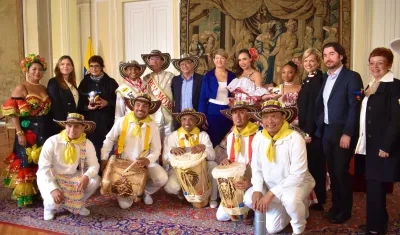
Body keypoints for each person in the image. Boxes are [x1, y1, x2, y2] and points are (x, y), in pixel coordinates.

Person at [244, 100, 315, 235]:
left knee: (291, 200)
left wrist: (270, 194)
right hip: (271, 184)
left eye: (274, 116)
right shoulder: (259, 137)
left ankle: (299, 227)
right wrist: (258, 189)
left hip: (295, 184)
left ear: (283, 118)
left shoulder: (295, 138)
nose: (269, 121)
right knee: (250, 199)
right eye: (265, 117)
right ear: (261, 120)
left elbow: (298, 175)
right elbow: (256, 166)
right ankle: (285, 209)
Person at [315, 42, 363, 224]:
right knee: (332, 173)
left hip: (343, 132)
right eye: (325, 55)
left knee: (341, 172)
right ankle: (335, 207)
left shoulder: (352, 77)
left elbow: (354, 107)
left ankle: (345, 211)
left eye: (332, 54)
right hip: (328, 131)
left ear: (341, 56)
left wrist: (348, 133)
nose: (328, 58)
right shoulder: (326, 78)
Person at [355, 47, 400, 234]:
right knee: (373, 186)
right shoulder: (372, 84)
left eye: (380, 63)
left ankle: (376, 228)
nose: (375, 67)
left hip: (382, 146)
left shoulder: (395, 85)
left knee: (376, 186)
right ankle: (377, 222)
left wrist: (386, 146)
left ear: (389, 64)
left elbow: (397, 119)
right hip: (369, 144)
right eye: (372, 63)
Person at [100, 94, 168, 208]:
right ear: (133, 106)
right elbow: (109, 139)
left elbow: (156, 150)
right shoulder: (122, 121)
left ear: (149, 109)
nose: (140, 108)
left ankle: (144, 191)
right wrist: (104, 158)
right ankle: (131, 190)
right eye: (138, 105)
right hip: (123, 164)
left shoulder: (153, 126)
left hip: (142, 164)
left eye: (144, 106)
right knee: (125, 206)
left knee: (162, 178)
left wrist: (148, 160)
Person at [2, 54, 51, 207]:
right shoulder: (21, 88)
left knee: (41, 159)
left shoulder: (43, 88)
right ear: (27, 71)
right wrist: (19, 133)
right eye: (34, 69)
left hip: (43, 129)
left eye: (40, 69)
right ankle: (25, 195)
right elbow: (13, 113)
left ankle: (39, 189)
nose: (37, 72)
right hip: (27, 131)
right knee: (25, 159)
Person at [36, 113, 100, 220]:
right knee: (53, 203)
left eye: (77, 126)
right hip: (50, 177)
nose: (72, 130)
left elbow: (94, 166)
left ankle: (78, 204)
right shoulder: (52, 141)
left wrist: (86, 176)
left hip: (71, 177)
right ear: (65, 126)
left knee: (95, 180)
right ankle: (49, 208)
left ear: (83, 128)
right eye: (69, 126)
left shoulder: (87, 143)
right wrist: (53, 188)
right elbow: (43, 169)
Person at [162, 108, 218, 208]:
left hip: (200, 169)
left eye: (191, 119)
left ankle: (213, 199)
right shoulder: (173, 136)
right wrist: (171, 152)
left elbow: (212, 156)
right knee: (171, 187)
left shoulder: (202, 135)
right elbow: (165, 160)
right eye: (184, 119)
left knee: (213, 165)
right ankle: (183, 193)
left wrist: (204, 148)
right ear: (180, 121)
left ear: (196, 121)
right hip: (180, 170)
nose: (187, 122)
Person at [216, 99, 260, 222]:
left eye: (241, 112)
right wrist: (227, 161)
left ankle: (254, 209)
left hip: (252, 179)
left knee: (248, 201)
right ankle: (243, 205)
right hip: (236, 180)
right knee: (221, 217)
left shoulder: (259, 134)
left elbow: (262, 164)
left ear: (249, 114)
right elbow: (233, 159)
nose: (238, 116)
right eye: (235, 113)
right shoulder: (231, 136)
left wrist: (252, 181)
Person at [297, 48, 326, 210]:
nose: (308, 64)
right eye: (306, 61)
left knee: (316, 166)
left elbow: (315, 109)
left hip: (313, 132)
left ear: (318, 62)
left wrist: (309, 131)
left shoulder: (317, 79)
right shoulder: (309, 78)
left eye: (312, 61)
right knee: (309, 165)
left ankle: (319, 200)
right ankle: (312, 198)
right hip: (307, 129)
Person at [77, 55, 119, 164]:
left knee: (107, 149)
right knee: (91, 151)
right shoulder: (84, 83)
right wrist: (87, 107)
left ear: (102, 67)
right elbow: (78, 104)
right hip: (90, 123)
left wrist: (107, 103)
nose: (94, 69)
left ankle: (107, 174)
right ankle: (93, 173)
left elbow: (119, 102)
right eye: (91, 66)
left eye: (97, 66)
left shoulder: (111, 82)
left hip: (106, 122)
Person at [198, 49, 235, 147]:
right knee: (213, 138)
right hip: (212, 111)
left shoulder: (232, 75)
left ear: (226, 60)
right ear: (214, 60)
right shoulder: (208, 76)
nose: (219, 60)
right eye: (217, 58)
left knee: (227, 139)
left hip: (228, 111)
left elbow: (235, 95)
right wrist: (202, 116)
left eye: (222, 58)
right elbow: (202, 97)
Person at [141, 50, 175, 142]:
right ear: (148, 62)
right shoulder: (146, 78)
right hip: (153, 115)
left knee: (169, 141)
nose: (154, 61)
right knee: (153, 141)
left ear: (162, 61)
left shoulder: (170, 76)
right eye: (152, 59)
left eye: (157, 59)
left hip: (168, 114)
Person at [47, 55, 79, 135]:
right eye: (62, 64)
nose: (65, 66)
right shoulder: (53, 82)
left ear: (72, 67)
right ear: (58, 67)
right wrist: (63, 125)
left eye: (68, 64)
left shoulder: (72, 84)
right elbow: (55, 106)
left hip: (73, 122)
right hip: (61, 124)